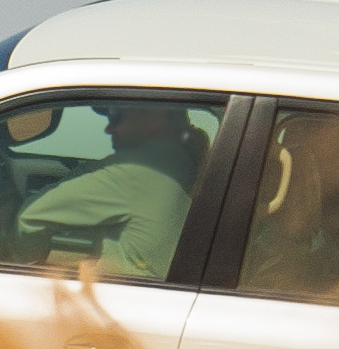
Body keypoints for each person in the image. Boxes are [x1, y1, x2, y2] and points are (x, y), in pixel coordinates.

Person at [11, 101, 209, 279]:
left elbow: (29, 220)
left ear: (150, 121)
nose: (109, 128)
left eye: (117, 116)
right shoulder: (183, 160)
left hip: (128, 294)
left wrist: (29, 266)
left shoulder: (136, 173)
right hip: (154, 285)